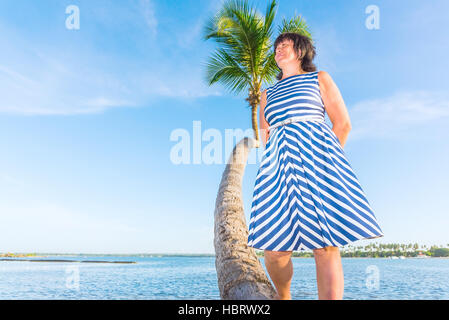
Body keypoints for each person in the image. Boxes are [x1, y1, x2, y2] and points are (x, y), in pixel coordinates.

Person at [247, 32, 384, 300]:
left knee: (325, 246)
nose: (279, 50)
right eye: (276, 47)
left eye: (286, 45)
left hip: (319, 165)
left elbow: (342, 124)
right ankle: (284, 296)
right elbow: (265, 135)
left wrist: (325, 164)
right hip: (279, 170)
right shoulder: (267, 94)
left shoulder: (318, 79)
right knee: (273, 251)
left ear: (301, 51)